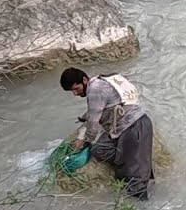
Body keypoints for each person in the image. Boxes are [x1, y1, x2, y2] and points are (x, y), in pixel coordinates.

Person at [60, 67, 155, 200]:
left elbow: (93, 121)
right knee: (100, 149)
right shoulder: (103, 81)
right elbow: (102, 106)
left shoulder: (94, 89)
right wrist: (83, 118)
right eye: (72, 91)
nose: (75, 94)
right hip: (135, 124)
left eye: (76, 89)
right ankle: (126, 162)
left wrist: (83, 141)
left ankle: (142, 208)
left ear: (84, 80)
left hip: (133, 127)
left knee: (135, 177)